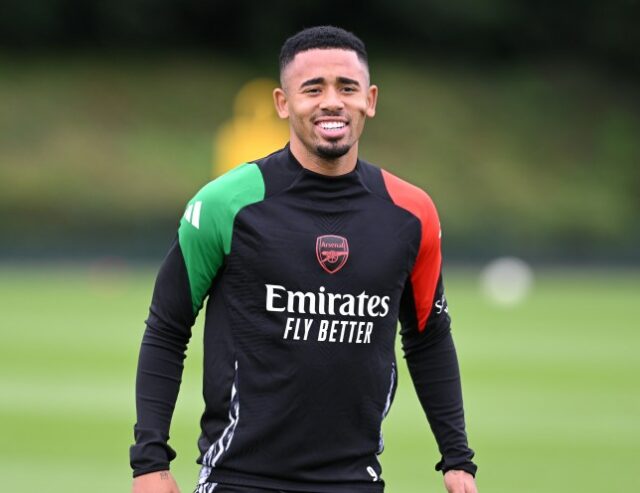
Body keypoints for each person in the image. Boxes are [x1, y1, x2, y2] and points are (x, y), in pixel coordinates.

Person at [131, 26, 478, 493]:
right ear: (282, 103)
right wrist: (149, 462)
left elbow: (429, 337)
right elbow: (167, 328)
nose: (331, 102)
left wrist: (456, 458)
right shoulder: (225, 204)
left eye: (347, 88)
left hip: (355, 480)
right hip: (239, 480)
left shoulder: (411, 213)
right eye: (313, 89)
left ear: (370, 100)